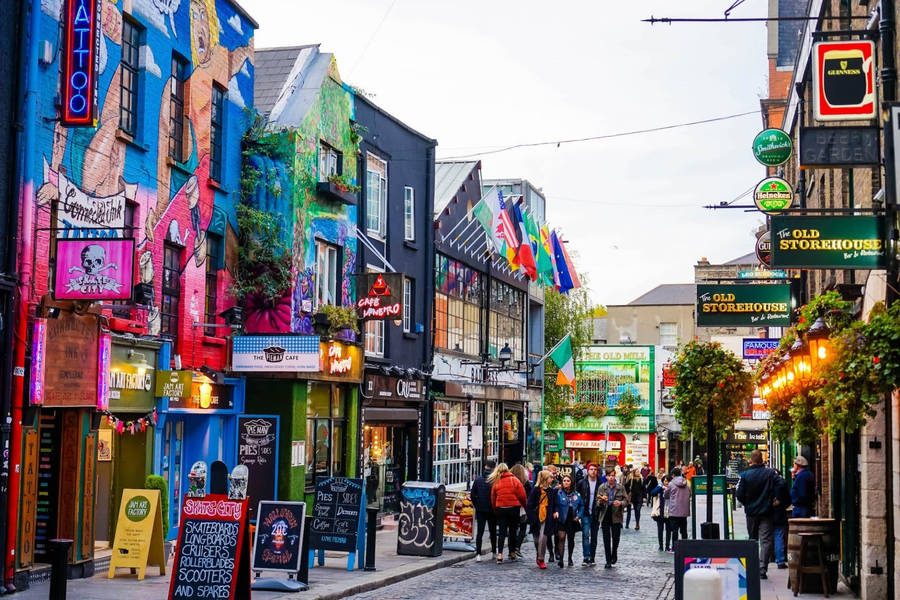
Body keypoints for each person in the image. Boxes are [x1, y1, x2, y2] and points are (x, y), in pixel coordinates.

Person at [735, 449, 784, 580]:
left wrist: (747, 503)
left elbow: (739, 494)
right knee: (766, 540)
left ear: (751, 460)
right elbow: (783, 484)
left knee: (752, 539)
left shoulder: (745, 475)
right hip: (766, 511)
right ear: (762, 459)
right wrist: (777, 499)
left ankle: (752, 565)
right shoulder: (770, 474)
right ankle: (762, 568)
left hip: (751, 512)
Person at [489, 462, 527, 563]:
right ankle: (512, 552)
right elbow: (522, 495)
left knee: (502, 532)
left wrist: (495, 509)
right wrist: (524, 505)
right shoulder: (514, 480)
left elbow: (493, 497)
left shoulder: (496, 482)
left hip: (501, 508)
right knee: (513, 531)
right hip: (514, 508)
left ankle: (500, 554)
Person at [526, 470, 559, 569]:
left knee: (543, 538)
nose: (552, 479)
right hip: (536, 517)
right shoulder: (535, 490)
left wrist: (555, 511)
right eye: (550, 477)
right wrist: (531, 517)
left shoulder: (551, 491)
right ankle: (538, 554)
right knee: (536, 540)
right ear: (545, 479)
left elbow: (555, 503)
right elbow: (529, 505)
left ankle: (541, 559)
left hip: (547, 517)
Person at [596, 469, 628, 568]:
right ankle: (608, 560)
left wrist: (620, 503)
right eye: (609, 475)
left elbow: (626, 500)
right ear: (606, 477)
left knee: (616, 537)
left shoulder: (620, 487)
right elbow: (597, 501)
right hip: (605, 514)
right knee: (606, 538)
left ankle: (614, 552)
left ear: (615, 477)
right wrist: (601, 501)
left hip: (616, 514)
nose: (611, 477)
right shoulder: (602, 487)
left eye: (613, 475)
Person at [470, 459, 497, 561]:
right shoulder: (495, 480)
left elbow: (473, 495)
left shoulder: (478, 479)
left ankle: (478, 554)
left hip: (481, 509)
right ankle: (494, 552)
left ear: (485, 466)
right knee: (492, 532)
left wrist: (477, 505)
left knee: (480, 532)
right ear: (493, 468)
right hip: (492, 509)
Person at [576, 463, 603, 565]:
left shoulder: (601, 483)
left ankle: (592, 557)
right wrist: (578, 511)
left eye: (595, 469)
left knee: (594, 536)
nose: (593, 471)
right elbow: (577, 497)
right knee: (586, 535)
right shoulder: (582, 482)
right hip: (585, 513)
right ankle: (586, 557)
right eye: (591, 469)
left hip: (596, 513)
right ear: (587, 471)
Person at [554, 474, 583, 567]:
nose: (566, 482)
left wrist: (579, 515)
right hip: (562, 518)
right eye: (564, 481)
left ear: (571, 482)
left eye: (568, 481)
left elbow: (582, 505)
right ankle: (561, 559)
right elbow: (555, 504)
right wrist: (556, 512)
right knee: (561, 538)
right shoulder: (559, 493)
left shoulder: (576, 494)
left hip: (572, 519)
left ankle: (570, 557)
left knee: (571, 539)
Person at [664, 467, 691, 548]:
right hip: (684, 511)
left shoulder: (671, 484)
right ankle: (685, 547)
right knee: (684, 531)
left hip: (674, 511)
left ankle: (675, 547)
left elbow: (665, 495)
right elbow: (690, 494)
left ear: (673, 475)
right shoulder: (686, 483)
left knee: (674, 531)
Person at [510, 463, 533, 554]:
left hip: (512, 506)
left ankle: (512, 550)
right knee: (523, 528)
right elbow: (529, 496)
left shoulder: (510, 481)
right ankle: (517, 547)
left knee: (513, 529)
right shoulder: (525, 483)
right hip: (522, 508)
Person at [773, 469, 791, 569]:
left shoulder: (767, 482)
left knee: (765, 538)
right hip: (779, 513)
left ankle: (763, 562)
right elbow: (788, 500)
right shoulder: (783, 483)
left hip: (766, 513)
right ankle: (780, 560)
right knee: (779, 536)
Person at [649, 475, 672, 551]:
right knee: (660, 530)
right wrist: (660, 487)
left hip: (669, 512)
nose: (666, 483)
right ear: (663, 481)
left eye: (668, 481)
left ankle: (667, 546)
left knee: (668, 530)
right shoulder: (660, 488)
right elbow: (652, 493)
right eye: (665, 481)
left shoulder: (672, 489)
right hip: (660, 512)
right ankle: (661, 546)